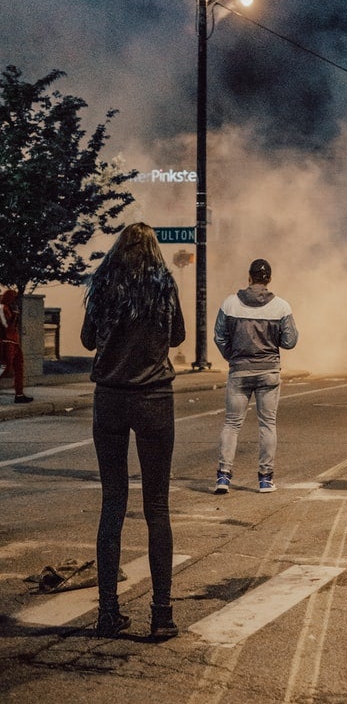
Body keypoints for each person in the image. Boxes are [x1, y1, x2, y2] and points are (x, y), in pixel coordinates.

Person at [80, 222, 186, 640]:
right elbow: (177, 334)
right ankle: (162, 614)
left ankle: (108, 612)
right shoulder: (163, 286)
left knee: (113, 504)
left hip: (109, 397)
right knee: (157, 507)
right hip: (154, 398)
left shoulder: (105, 285)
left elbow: (89, 339)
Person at [213, 258, 298, 495]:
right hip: (268, 371)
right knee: (267, 424)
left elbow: (219, 336)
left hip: (239, 370)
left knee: (232, 424)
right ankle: (265, 479)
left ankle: (223, 477)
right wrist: (273, 342)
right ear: (268, 279)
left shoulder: (230, 304)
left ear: (249, 277)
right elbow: (290, 341)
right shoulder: (281, 306)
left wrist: (233, 356)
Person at [0, 289, 32, 403]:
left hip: (14, 342)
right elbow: (6, 325)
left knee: (19, 368)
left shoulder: (10, 308)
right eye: (14, 297)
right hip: (6, 342)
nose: (15, 301)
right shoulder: (2, 308)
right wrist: (14, 316)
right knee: (5, 368)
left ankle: (19, 394)